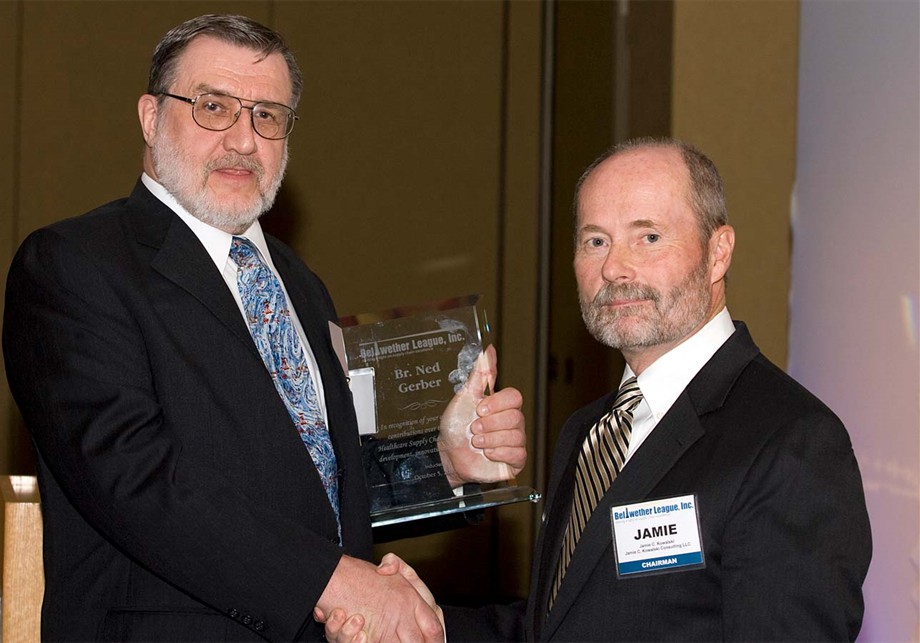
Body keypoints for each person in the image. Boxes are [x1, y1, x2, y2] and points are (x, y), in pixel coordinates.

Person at [2, 14, 526, 642]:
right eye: (213, 107)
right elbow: (135, 480)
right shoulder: (76, 264)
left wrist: (442, 462)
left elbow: (315, 482)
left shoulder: (300, 286)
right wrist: (335, 581)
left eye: (268, 116)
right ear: (149, 117)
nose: (244, 140)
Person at [324, 137, 872, 642]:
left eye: (648, 236)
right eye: (595, 241)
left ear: (718, 251)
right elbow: (562, 625)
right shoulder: (586, 431)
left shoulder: (791, 442)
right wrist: (433, 630)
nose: (615, 267)